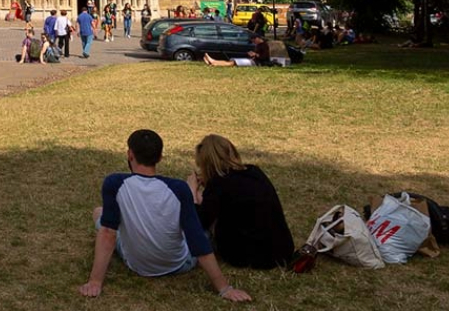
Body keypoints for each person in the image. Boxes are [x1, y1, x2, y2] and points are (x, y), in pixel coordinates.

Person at [81, 129, 252, 302]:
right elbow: (197, 240)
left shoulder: (114, 183)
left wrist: (95, 281)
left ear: (130, 154)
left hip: (135, 263)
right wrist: (224, 288)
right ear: (160, 157)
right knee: (202, 231)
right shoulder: (178, 189)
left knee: (99, 214)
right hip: (178, 264)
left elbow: (108, 233)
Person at [187, 135, 294, 270]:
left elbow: (201, 222)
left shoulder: (219, 184)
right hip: (282, 251)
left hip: (249, 256)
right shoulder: (254, 172)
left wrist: (192, 192)